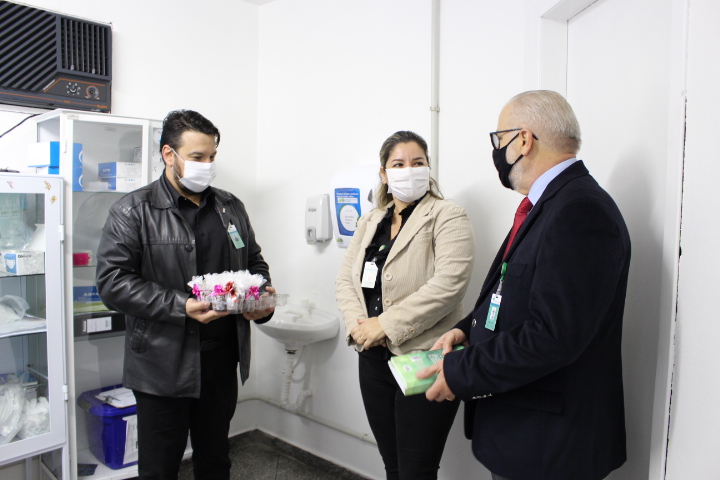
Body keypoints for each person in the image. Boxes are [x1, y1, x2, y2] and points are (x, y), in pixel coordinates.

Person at [420, 90, 630, 480]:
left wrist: (461, 371)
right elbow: (512, 293)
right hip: (526, 436)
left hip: (551, 447)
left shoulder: (579, 210)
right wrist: (465, 331)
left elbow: (553, 335)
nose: (497, 151)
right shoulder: (548, 205)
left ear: (523, 139)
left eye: (499, 139)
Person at [96, 109, 275, 480]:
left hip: (221, 360)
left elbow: (254, 263)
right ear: (168, 154)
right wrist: (181, 305)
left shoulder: (229, 207)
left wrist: (260, 299)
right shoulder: (133, 211)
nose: (207, 166)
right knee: (160, 467)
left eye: (212, 157)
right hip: (162, 365)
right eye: (197, 157)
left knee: (215, 460)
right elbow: (113, 282)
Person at [335, 131, 476, 480]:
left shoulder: (447, 215)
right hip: (372, 358)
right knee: (393, 464)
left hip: (423, 358)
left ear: (428, 168)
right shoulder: (371, 221)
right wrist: (359, 327)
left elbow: (448, 285)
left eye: (417, 162)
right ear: (384, 174)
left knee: (417, 470)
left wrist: (384, 325)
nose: (409, 170)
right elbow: (346, 280)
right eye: (398, 164)